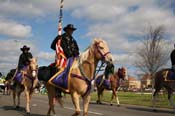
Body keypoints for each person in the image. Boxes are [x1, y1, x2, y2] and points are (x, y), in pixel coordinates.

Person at [50, 24, 80, 97]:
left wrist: (76, 54)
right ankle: (58, 89)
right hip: (63, 58)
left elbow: (77, 49)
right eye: (70, 30)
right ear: (66, 30)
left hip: (73, 58)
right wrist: (57, 41)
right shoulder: (61, 37)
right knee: (60, 69)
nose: (71, 31)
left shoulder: (73, 40)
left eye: (72, 30)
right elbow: (53, 46)